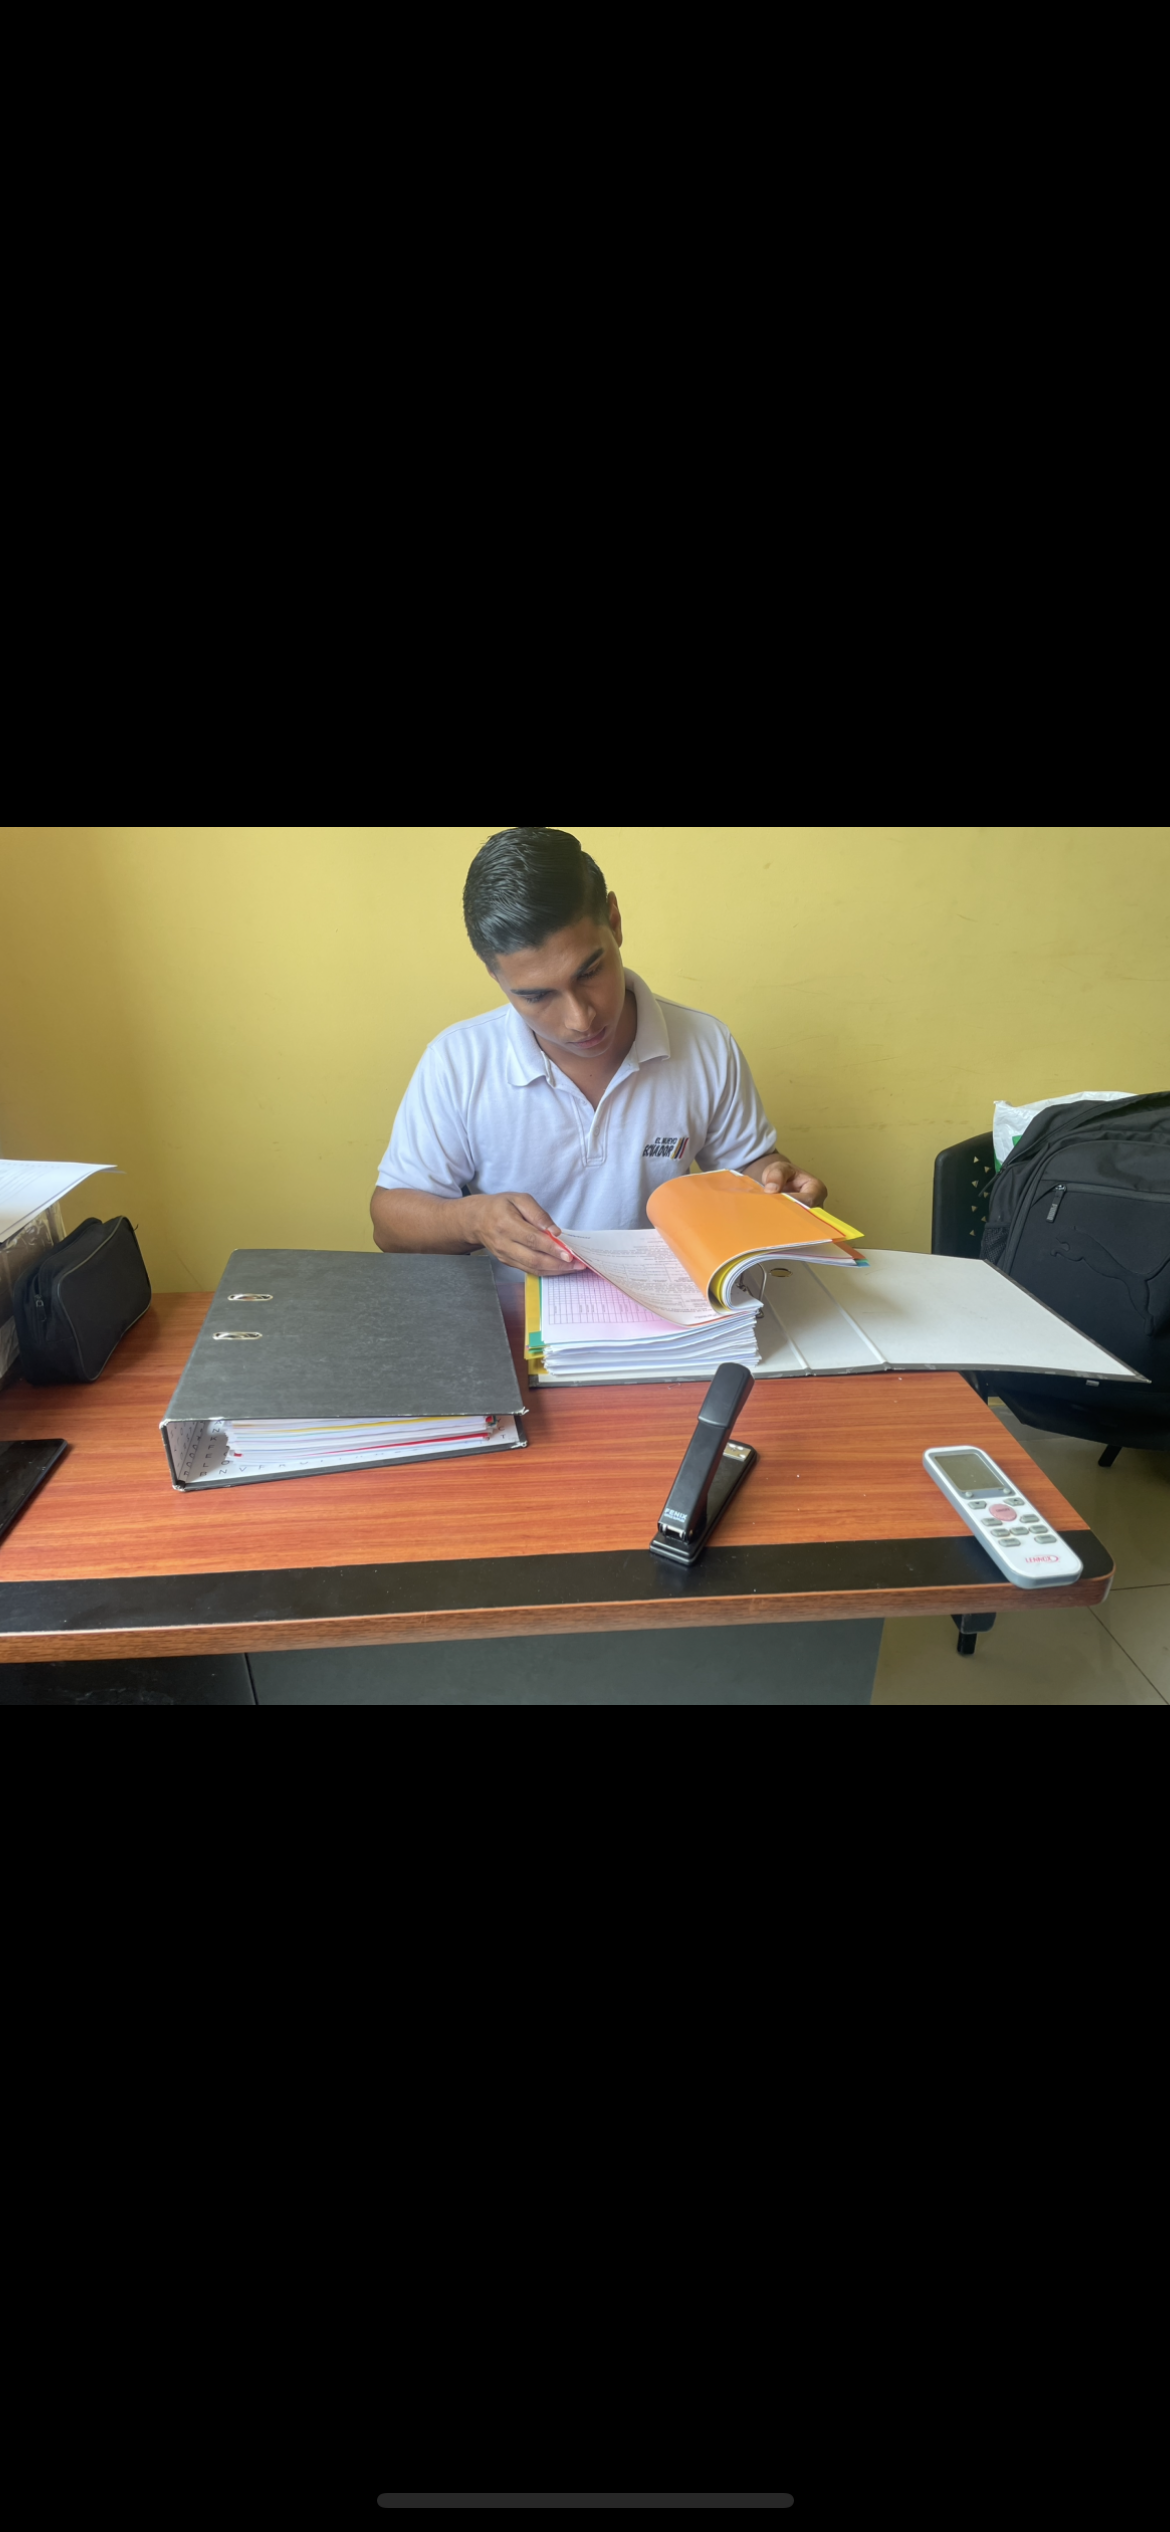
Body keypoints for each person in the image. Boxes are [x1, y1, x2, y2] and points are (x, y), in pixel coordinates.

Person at [371, 827, 828, 1279]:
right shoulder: (457, 1062)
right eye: (536, 996)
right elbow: (388, 1226)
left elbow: (748, 1168)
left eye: (589, 973)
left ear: (614, 921)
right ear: (496, 976)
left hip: (665, 1304)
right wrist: (472, 1220)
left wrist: (777, 1183)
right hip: (512, 1313)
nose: (580, 1019)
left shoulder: (707, 1043)